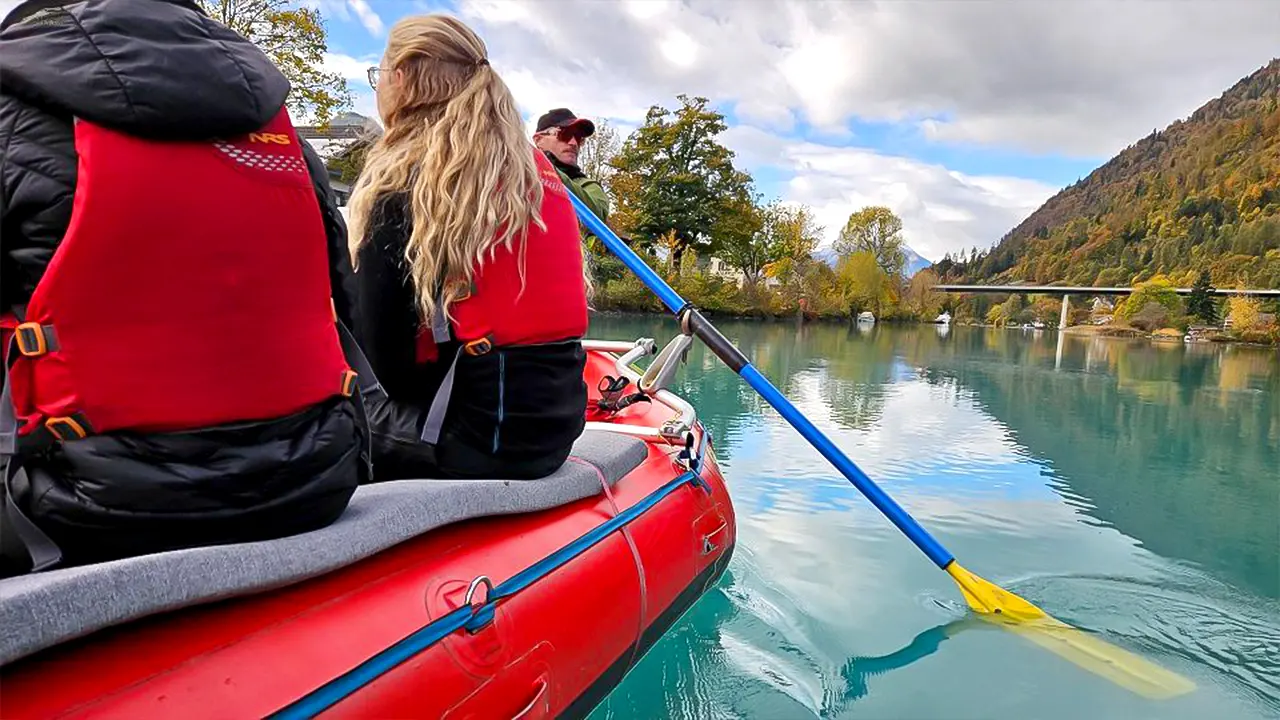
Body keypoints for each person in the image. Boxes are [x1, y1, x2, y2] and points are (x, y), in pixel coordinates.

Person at [0, 0, 369, 576]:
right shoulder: (282, 128)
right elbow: (345, 300)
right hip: (315, 479)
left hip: (90, 509)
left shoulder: (11, 110)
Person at [348, 14, 588, 481]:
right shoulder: (529, 172)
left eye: (378, 75)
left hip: (476, 443)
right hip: (556, 429)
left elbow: (381, 360)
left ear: (400, 78)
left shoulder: (406, 177)